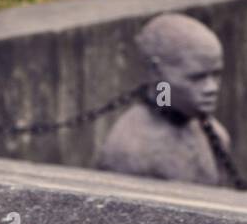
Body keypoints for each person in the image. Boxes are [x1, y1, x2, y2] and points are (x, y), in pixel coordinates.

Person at [95, 13, 238, 186]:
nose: (211, 88)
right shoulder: (131, 150)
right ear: (156, 70)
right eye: (196, 78)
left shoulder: (214, 133)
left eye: (216, 75)